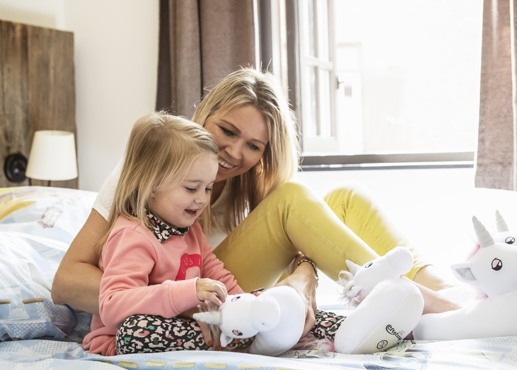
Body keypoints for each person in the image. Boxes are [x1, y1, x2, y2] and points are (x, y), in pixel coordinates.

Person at [52, 68, 459, 348]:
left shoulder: (253, 184)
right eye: (227, 131)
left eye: (253, 146)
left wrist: (302, 280)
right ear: (205, 114)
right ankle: (433, 306)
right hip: (179, 294)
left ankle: (443, 290)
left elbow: (299, 249)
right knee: (293, 201)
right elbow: (65, 283)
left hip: (221, 285)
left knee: (346, 198)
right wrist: (173, 298)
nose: (234, 152)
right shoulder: (153, 167)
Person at [83, 112, 246, 356]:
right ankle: (248, 336)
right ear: (150, 185)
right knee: (134, 330)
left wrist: (244, 304)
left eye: (208, 188)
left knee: (267, 301)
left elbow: (218, 274)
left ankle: (264, 326)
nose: (202, 199)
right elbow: (112, 307)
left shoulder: (191, 230)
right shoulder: (132, 235)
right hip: (120, 339)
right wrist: (187, 293)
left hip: (183, 326)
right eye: (192, 188)